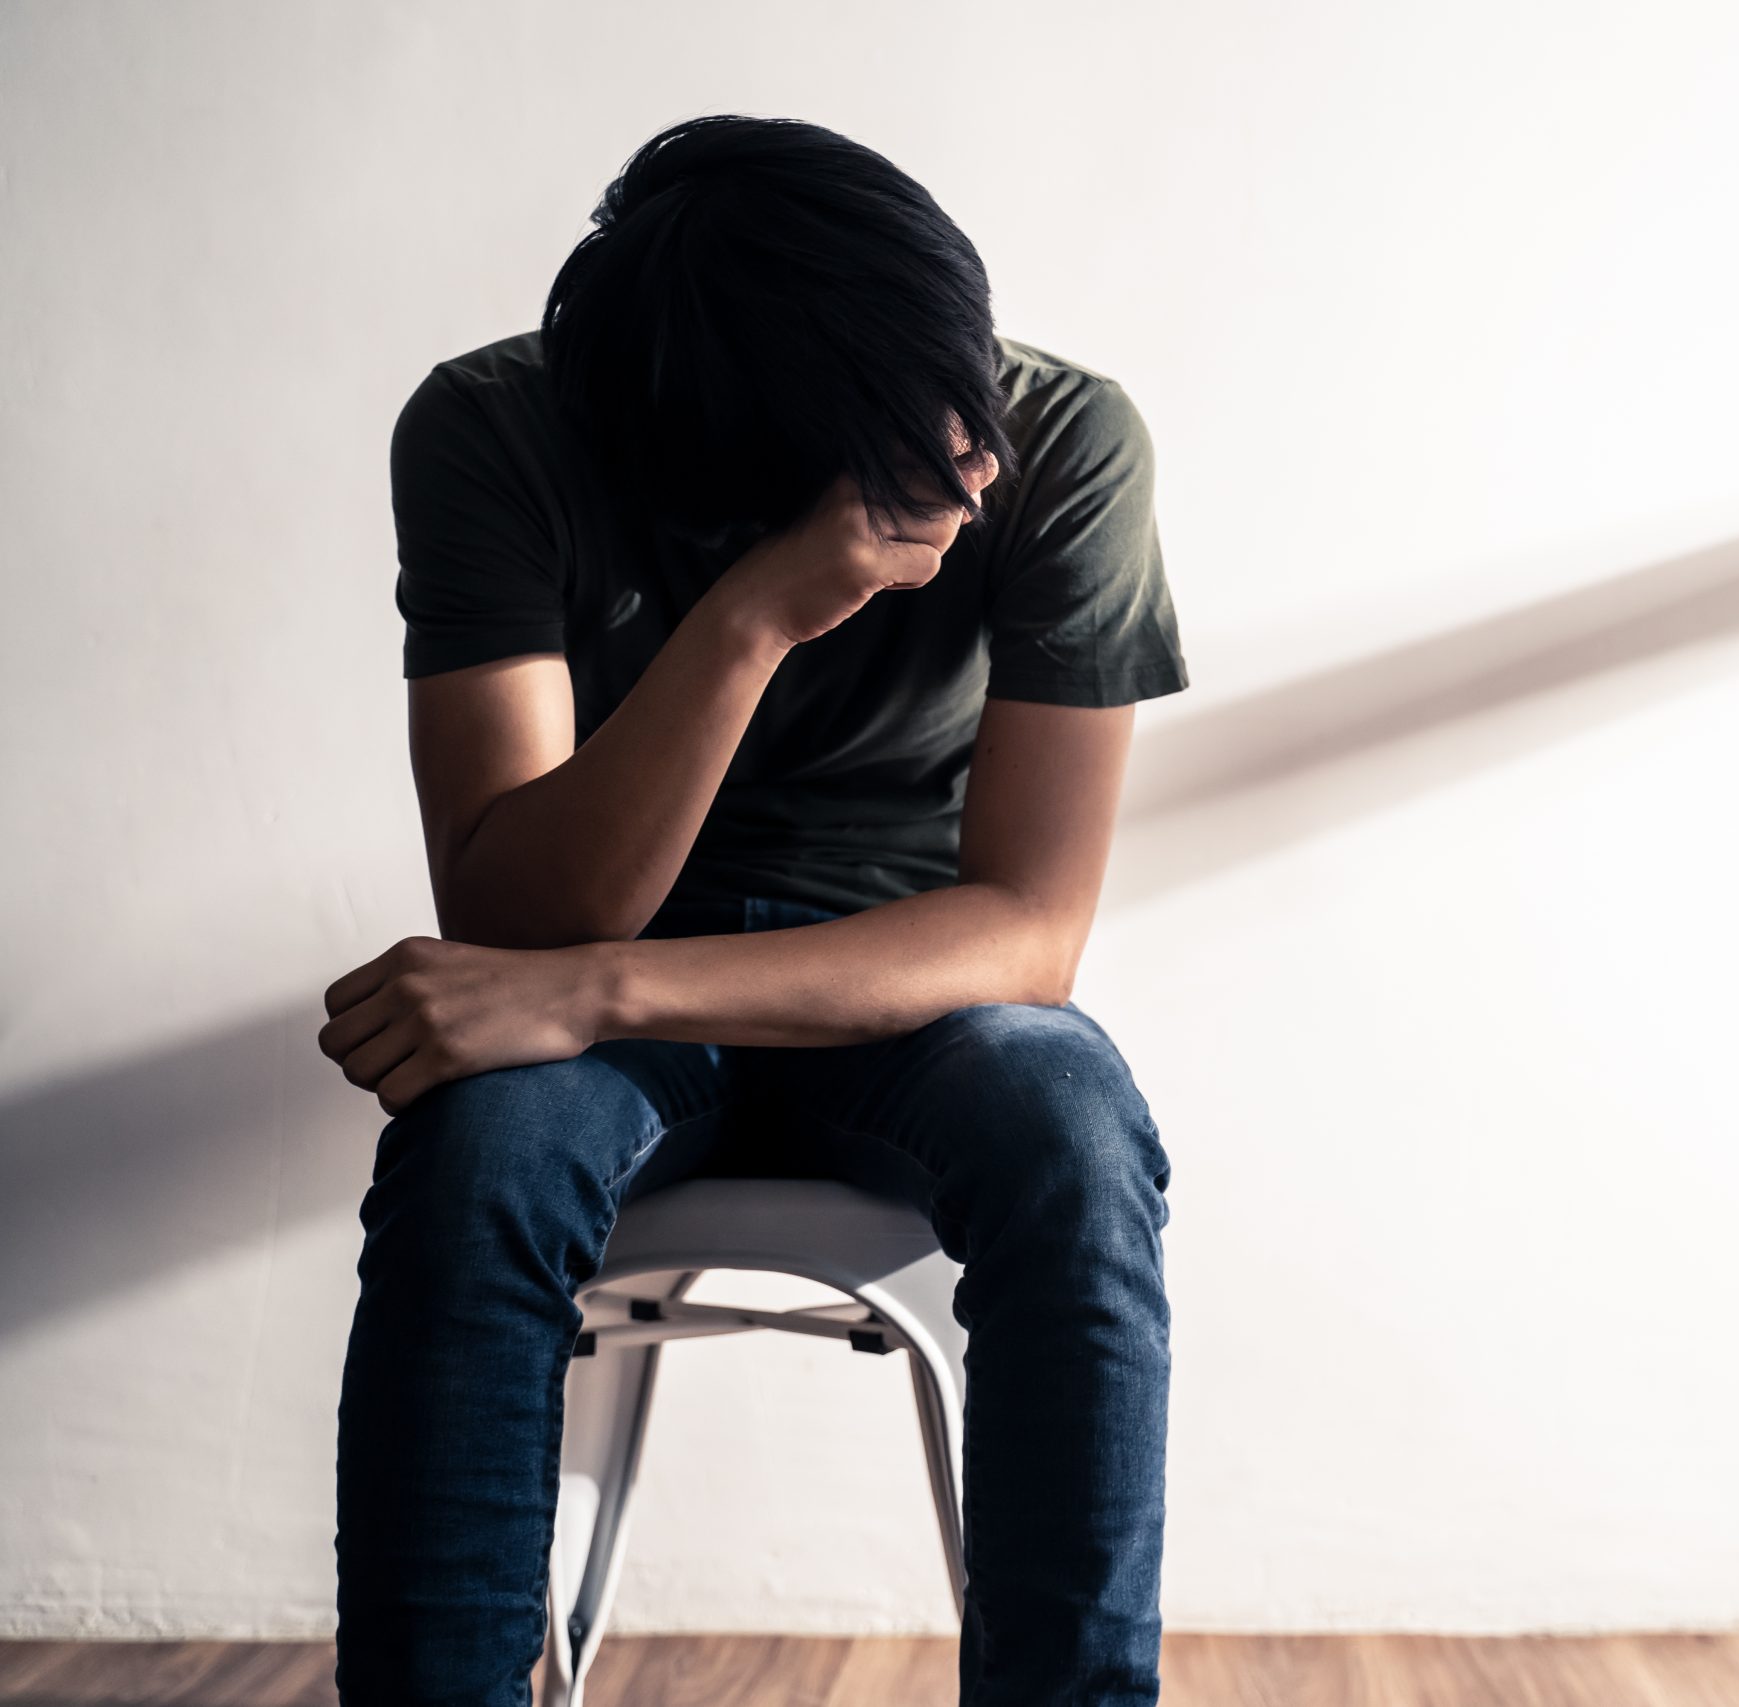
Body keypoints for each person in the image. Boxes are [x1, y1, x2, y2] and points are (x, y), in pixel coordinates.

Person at [315, 112, 1188, 1707]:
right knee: (477, 1157)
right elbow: (529, 904)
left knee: (1076, 1131)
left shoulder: (1062, 443)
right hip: (611, 955)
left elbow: (1030, 933)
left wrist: (601, 997)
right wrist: (760, 613)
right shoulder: (500, 429)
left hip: (909, 989)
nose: (960, 444)